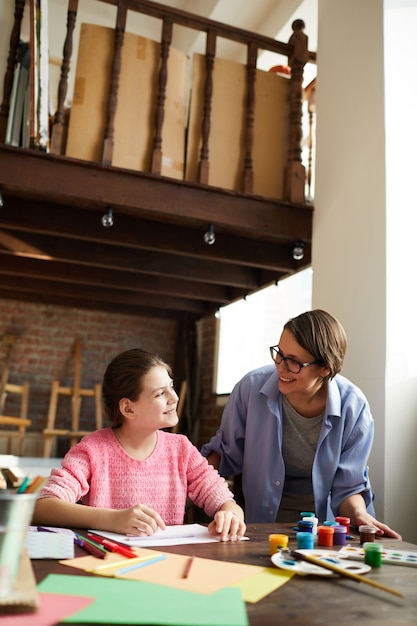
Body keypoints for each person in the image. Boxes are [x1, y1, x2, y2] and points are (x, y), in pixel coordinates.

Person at [201, 309, 401, 539]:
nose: (281, 367)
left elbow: (348, 487)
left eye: (294, 362)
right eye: (279, 353)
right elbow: (225, 455)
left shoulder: (354, 407)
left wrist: (360, 514)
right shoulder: (250, 389)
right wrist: (184, 486)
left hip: (325, 529)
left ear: (325, 368)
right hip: (263, 524)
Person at [33, 348, 246, 542]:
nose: (174, 398)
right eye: (160, 393)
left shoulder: (181, 449)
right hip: (108, 563)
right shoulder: (92, 450)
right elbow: (43, 507)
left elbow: (223, 499)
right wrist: (114, 519)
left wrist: (231, 514)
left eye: (171, 387)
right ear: (128, 408)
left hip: (170, 564)